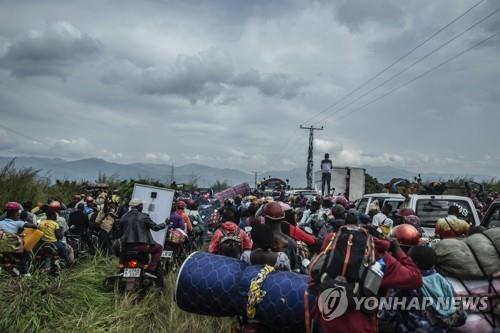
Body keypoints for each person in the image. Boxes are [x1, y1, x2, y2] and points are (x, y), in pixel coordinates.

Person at [313, 234, 423, 333]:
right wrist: (397, 250)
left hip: (325, 319)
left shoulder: (333, 244)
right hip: (359, 325)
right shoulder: (380, 258)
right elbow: (416, 278)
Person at [387, 245, 465, 333]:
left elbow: (389, 312)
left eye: (408, 258)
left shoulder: (407, 283)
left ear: (414, 262)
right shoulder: (442, 280)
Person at [118, 199, 166, 277]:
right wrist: (165, 223)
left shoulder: (123, 217)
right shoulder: (144, 216)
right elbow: (155, 227)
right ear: (139, 206)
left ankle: (121, 269)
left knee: (122, 260)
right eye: (142, 205)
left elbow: (119, 233)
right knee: (159, 248)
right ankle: (151, 270)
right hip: (142, 247)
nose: (143, 207)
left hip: (127, 247)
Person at [0, 202, 38, 275]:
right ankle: (24, 271)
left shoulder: (0, 222)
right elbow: (33, 226)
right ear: (14, 213)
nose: (19, 213)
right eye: (18, 212)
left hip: (2, 247)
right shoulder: (18, 223)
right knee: (27, 253)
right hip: (14, 248)